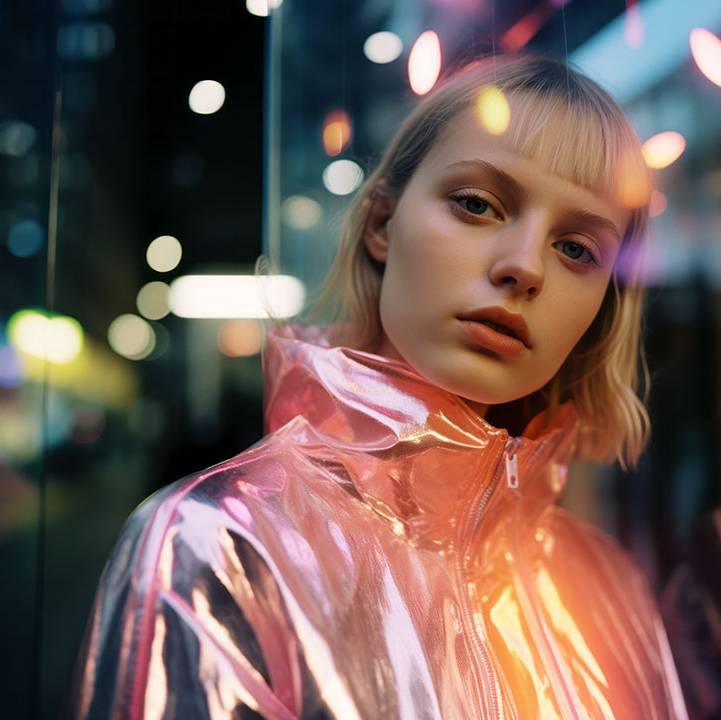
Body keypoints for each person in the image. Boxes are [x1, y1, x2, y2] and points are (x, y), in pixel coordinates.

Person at [70, 53, 687, 719]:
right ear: (382, 224)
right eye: (478, 204)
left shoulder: (610, 586)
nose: (523, 267)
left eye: (577, 249)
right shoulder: (219, 545)